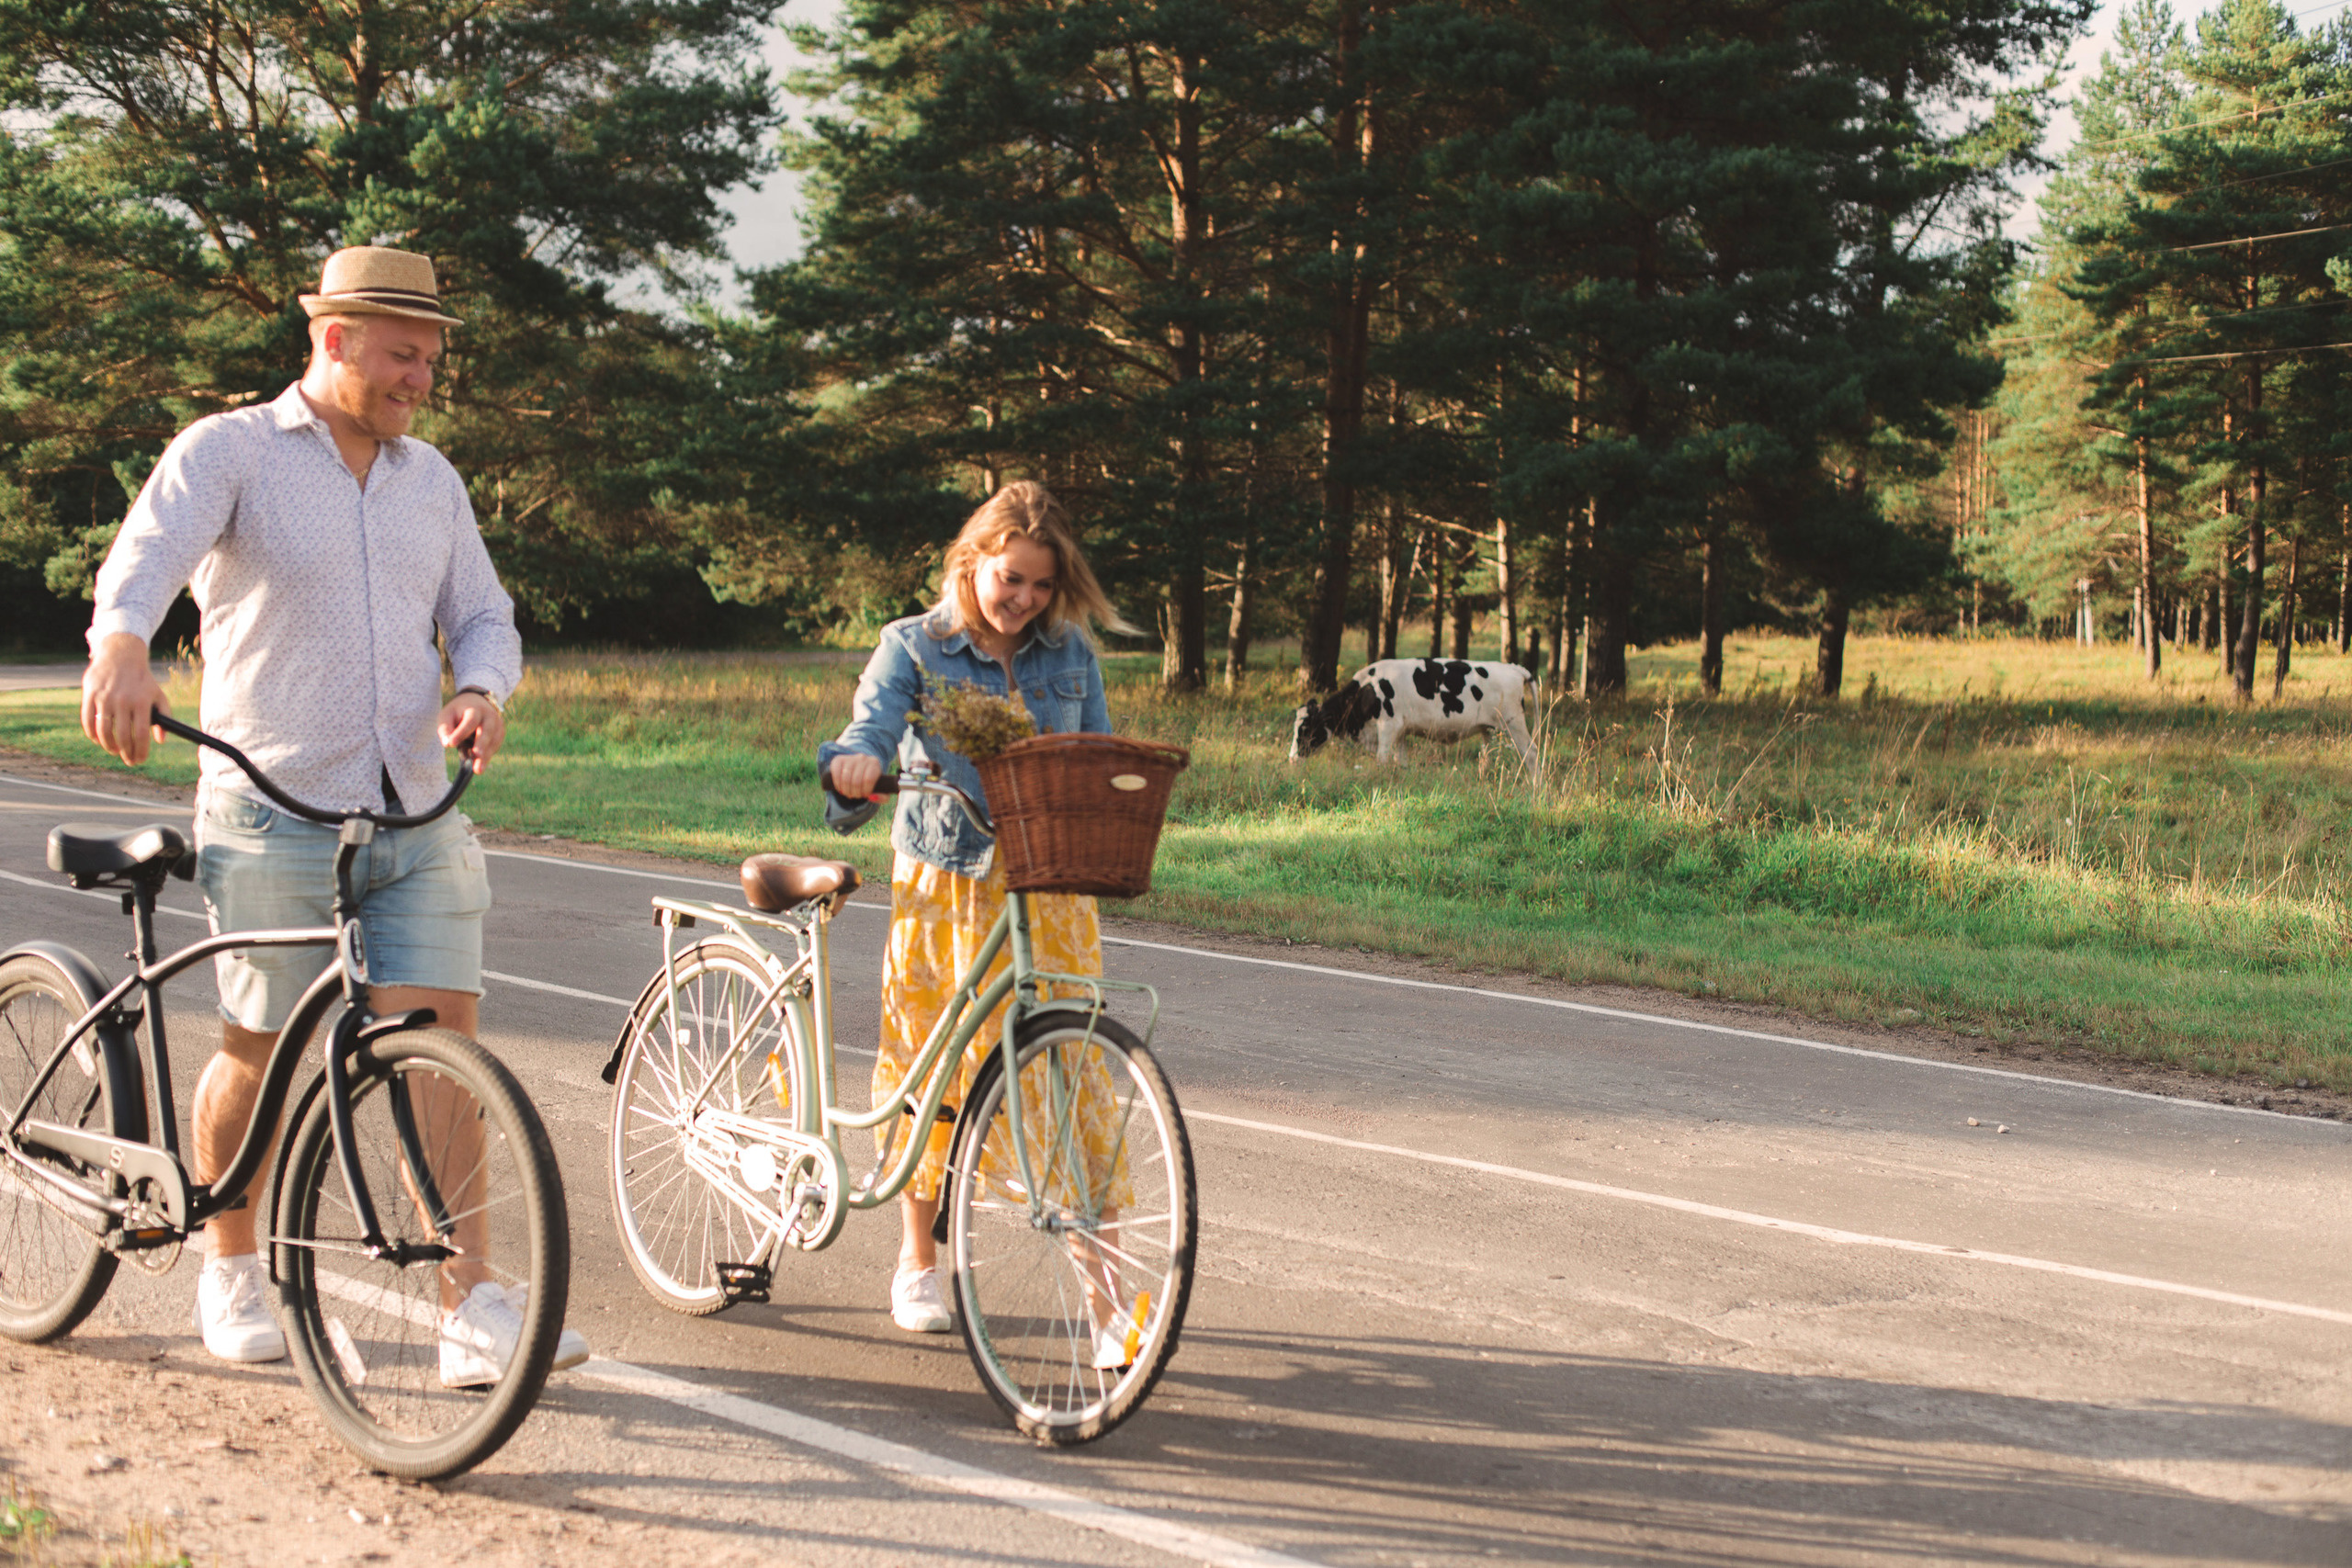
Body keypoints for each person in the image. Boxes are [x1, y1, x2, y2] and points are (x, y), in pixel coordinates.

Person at [79, 244, 587, 1384]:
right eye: (404, 356)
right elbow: (145, 559)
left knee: (444, 1055)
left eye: (431, 359)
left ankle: (473, 1306)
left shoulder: (432, 480)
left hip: (414, 808)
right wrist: (121, 646)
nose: (421, 379)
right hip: (274, 805)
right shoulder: (232, 453)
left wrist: (478, 689)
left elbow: (486, 616)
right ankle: (233, 1269)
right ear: (334, 339)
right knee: (257, 1050)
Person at [820, 481, 1137, 1359]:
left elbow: (1098, 750)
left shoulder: (1070, 650)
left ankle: (1107, 1296)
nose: (1025, 599)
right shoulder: (912, 647)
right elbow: (872, 727)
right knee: (938, 1070)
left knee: (1068, 1073)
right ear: (972, 562)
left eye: (1040, 585)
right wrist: (855, 763)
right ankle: (918, 1260)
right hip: (947, 883)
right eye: (1011, 580)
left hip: (1050, 885)